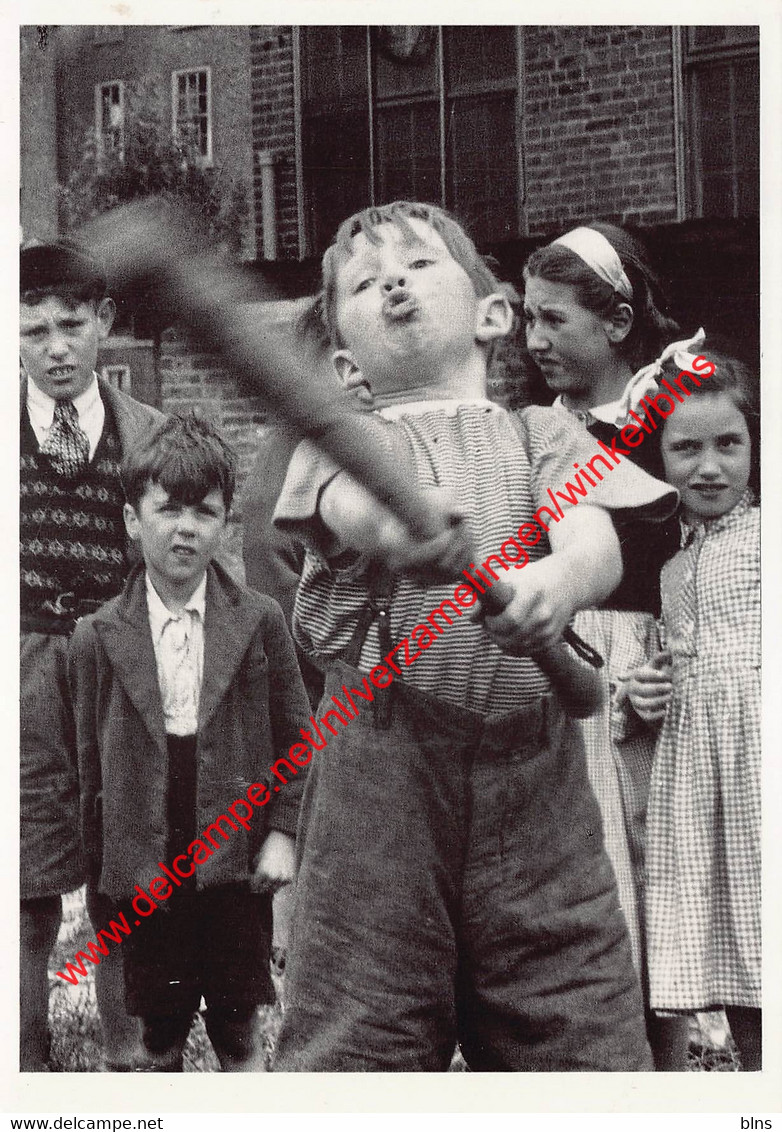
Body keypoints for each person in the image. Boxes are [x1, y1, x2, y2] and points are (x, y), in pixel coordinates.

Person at [270, 201, 678, 1072]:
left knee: (572, 1013)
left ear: (493, 313)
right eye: (365, 281)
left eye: (417, 265)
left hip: (537, 776)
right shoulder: (350, 435)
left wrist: (553, 584)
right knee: (359, 1022)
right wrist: (392, 535)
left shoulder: (544, 431)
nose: (392, 283)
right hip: (383, 775)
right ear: (344, 362)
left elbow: (595, 540)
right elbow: (345, 506)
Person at [68, 414, 311, 1071]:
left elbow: (297, 739)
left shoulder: (260, 622)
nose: (185, 528)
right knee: (159, 1033)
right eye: (167, 509)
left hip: (233, 848)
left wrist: (283, 833)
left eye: (204, 512)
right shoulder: (95, 637)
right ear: (130, 519)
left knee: (237, 1024)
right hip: (147, 851)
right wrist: (103, 877)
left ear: (226, 521)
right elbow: (90, 770)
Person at [521, 222, 695, 1069]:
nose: (535, 339)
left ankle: (663, 1067)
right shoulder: (533, 434)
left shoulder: (670, 409)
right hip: (566, 670)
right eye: (527, 319)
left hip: (657, 671)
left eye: (555, 319)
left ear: (618, 322)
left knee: (658, 874)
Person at [20, 240, 163, 1071]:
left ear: (105, 321)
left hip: (120, 673)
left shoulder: (150, 437)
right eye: (33, 331)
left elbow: (202, 571)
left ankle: (129, 1059)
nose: (57, 348)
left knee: (124, 875)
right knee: (27, 883)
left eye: (72, 325)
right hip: (24, 675)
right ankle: (25, 1065)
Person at [625, 352, 761, 1070]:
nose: (708, 466)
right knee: (736, 935)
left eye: (728, 444)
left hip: (760, 767)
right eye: (686, 447)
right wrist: (642, 690)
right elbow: (665, 662)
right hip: (698, 775)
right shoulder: (672, 567)